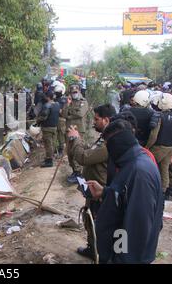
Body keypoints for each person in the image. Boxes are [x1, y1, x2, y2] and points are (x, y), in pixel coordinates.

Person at [87, 119, 164, 264]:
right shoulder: (131, 164)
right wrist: (105, 192)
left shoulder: (139, 172)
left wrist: (120, 259)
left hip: (124, 254)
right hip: (116, 245)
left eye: (108, 144)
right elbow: (124, 198)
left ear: (116, 143)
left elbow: (137, 227)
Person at [67, 104, 116, 261]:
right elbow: (90, 151)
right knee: (90, 222)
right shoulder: (104, 138)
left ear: (106, 120)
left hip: (100, 190)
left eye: (96, 119)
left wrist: (75, 139)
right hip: (93, 188)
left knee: (98, 225)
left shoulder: (110, 143)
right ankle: (92, 248)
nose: (93, 122)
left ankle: (100, 253)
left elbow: (84, 157)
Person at [149, 93, 172, 199]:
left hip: (159, 147)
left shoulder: (160, 117)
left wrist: (147, 147)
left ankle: (149, 188)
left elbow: (154, 136)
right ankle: (164, 191)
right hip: (171, 147)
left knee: (149, 167)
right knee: (164, 169)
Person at [63, 84, 89, 183]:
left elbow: (80, 114)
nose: (74, 94)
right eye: (72, 92)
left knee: (77, 150)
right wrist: (69, 107)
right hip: (69, 130)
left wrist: (70, 113)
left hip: (78, 130)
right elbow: (64, 114)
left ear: (79, 91)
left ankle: (79, 172)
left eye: (75, 92)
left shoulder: (83, 101)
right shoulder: (69, 101)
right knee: (69, 152)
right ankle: (75, 171)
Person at [36, 91, 60, 168]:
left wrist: (37, 120)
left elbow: (43, 117)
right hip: (54, 127)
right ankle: (51, 157)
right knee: (52, 143)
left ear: (48, 97)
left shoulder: (47, 105)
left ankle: (49, 161)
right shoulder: (57, 104)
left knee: (48, 144)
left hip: (47, 128)